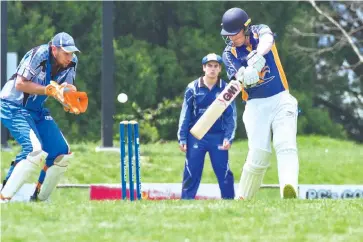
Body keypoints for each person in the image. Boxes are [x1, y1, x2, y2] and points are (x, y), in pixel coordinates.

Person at [220, 7, 299, 199]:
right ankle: (243, 198)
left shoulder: (259, 30)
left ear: (245, 28)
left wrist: (257, 56)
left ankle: (289, 189)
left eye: (234, 33)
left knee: (285, 143)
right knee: (259, 154)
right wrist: (247, 75)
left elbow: (268, 40)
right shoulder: (228, 53)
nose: (231, 38)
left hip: (281, 98)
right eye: (227, 34)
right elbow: (239, 76)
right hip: (255, 106)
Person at [0, 32, 88, 202]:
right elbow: (20, 84)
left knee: (62, 152)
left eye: (72, 53)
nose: (70, 57)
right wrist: (47, 89)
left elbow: (66, 88)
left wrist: (69, 102)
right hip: (12, 105)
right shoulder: (39, 54)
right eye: (66, 53)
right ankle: (3, 197)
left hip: (36, 109)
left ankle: (39, 199)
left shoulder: (72, 62)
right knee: (34, 150)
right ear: (54, 49)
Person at [177, 53, 237, 199]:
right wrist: (182, 138)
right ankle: (186, 203)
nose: (212, 69)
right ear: (204, 68)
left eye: (216, 66)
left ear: (220, 69)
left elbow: (231, 117)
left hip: (218, 136)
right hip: (196, 136)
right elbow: (185, 114)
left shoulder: (227, 89)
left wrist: (229, 137)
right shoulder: (193, 88)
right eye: (209, 66)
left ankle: (229, 201)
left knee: (224, 172)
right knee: (192, 171)